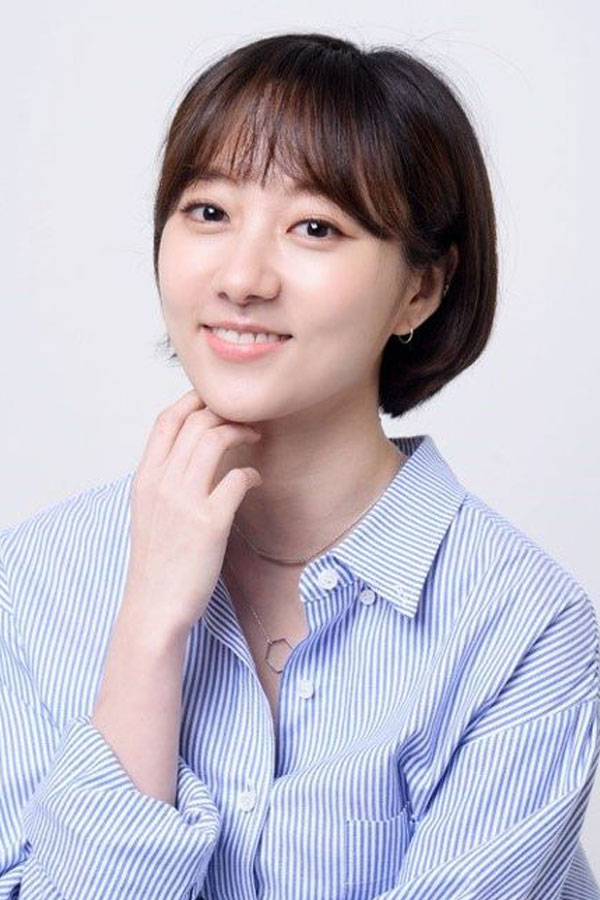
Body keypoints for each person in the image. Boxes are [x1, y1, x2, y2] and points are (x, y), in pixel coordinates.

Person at [1, 29, 598, 900]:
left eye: (315, 227)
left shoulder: (521, 626)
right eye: (209, 212)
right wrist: (149, 629)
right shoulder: (37, 580)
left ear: (421, 290)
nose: (242, 278)